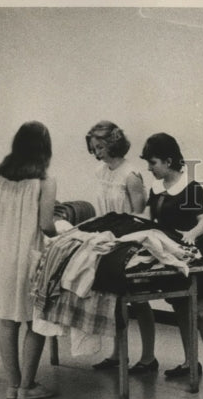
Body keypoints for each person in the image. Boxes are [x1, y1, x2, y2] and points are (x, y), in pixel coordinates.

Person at [0, 121, 59, 399]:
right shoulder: (45, 181)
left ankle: (13, 386)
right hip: (28, 257)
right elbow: (47, 225)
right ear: (44, 149)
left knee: (7, 321)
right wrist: (65, 228)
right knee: (35, 320)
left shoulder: (2, 178)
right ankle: (28, 386)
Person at [141, 133, 203, 382]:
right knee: (180, 307)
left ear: (168, 161)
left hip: (195, 252)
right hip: (171, 255)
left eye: (153, 163)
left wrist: (190, 235)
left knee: (200, 308)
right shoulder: (155, 190)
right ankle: (190, 361)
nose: (149, 168)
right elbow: (151, 222)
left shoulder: (190, 188)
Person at [85, 120, 156, 374]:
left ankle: (149, 356)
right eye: (93, 147)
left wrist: (122, 239)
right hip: (106, 239)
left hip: (129, 240)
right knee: (113, 300)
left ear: (112, 144)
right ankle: (117, 354)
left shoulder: (131, 175)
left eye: (100, 147)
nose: (96, 152)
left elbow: (141, 217)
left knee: (138, 301)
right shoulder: (100, 172)